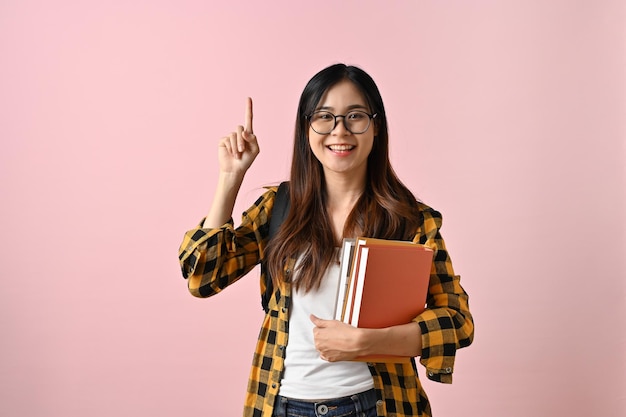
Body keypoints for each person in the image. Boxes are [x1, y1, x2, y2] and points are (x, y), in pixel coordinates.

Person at [178, 63, 474, 417]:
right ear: (306, 129)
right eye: (325, 117)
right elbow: (202, 276)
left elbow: (458, 320)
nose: (340, 131)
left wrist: (369, 342)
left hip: (378, 405)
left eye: (355, 116)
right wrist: (230, 177)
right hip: (282, 406)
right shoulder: (280, 207)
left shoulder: (410, 220)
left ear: (375, 127)